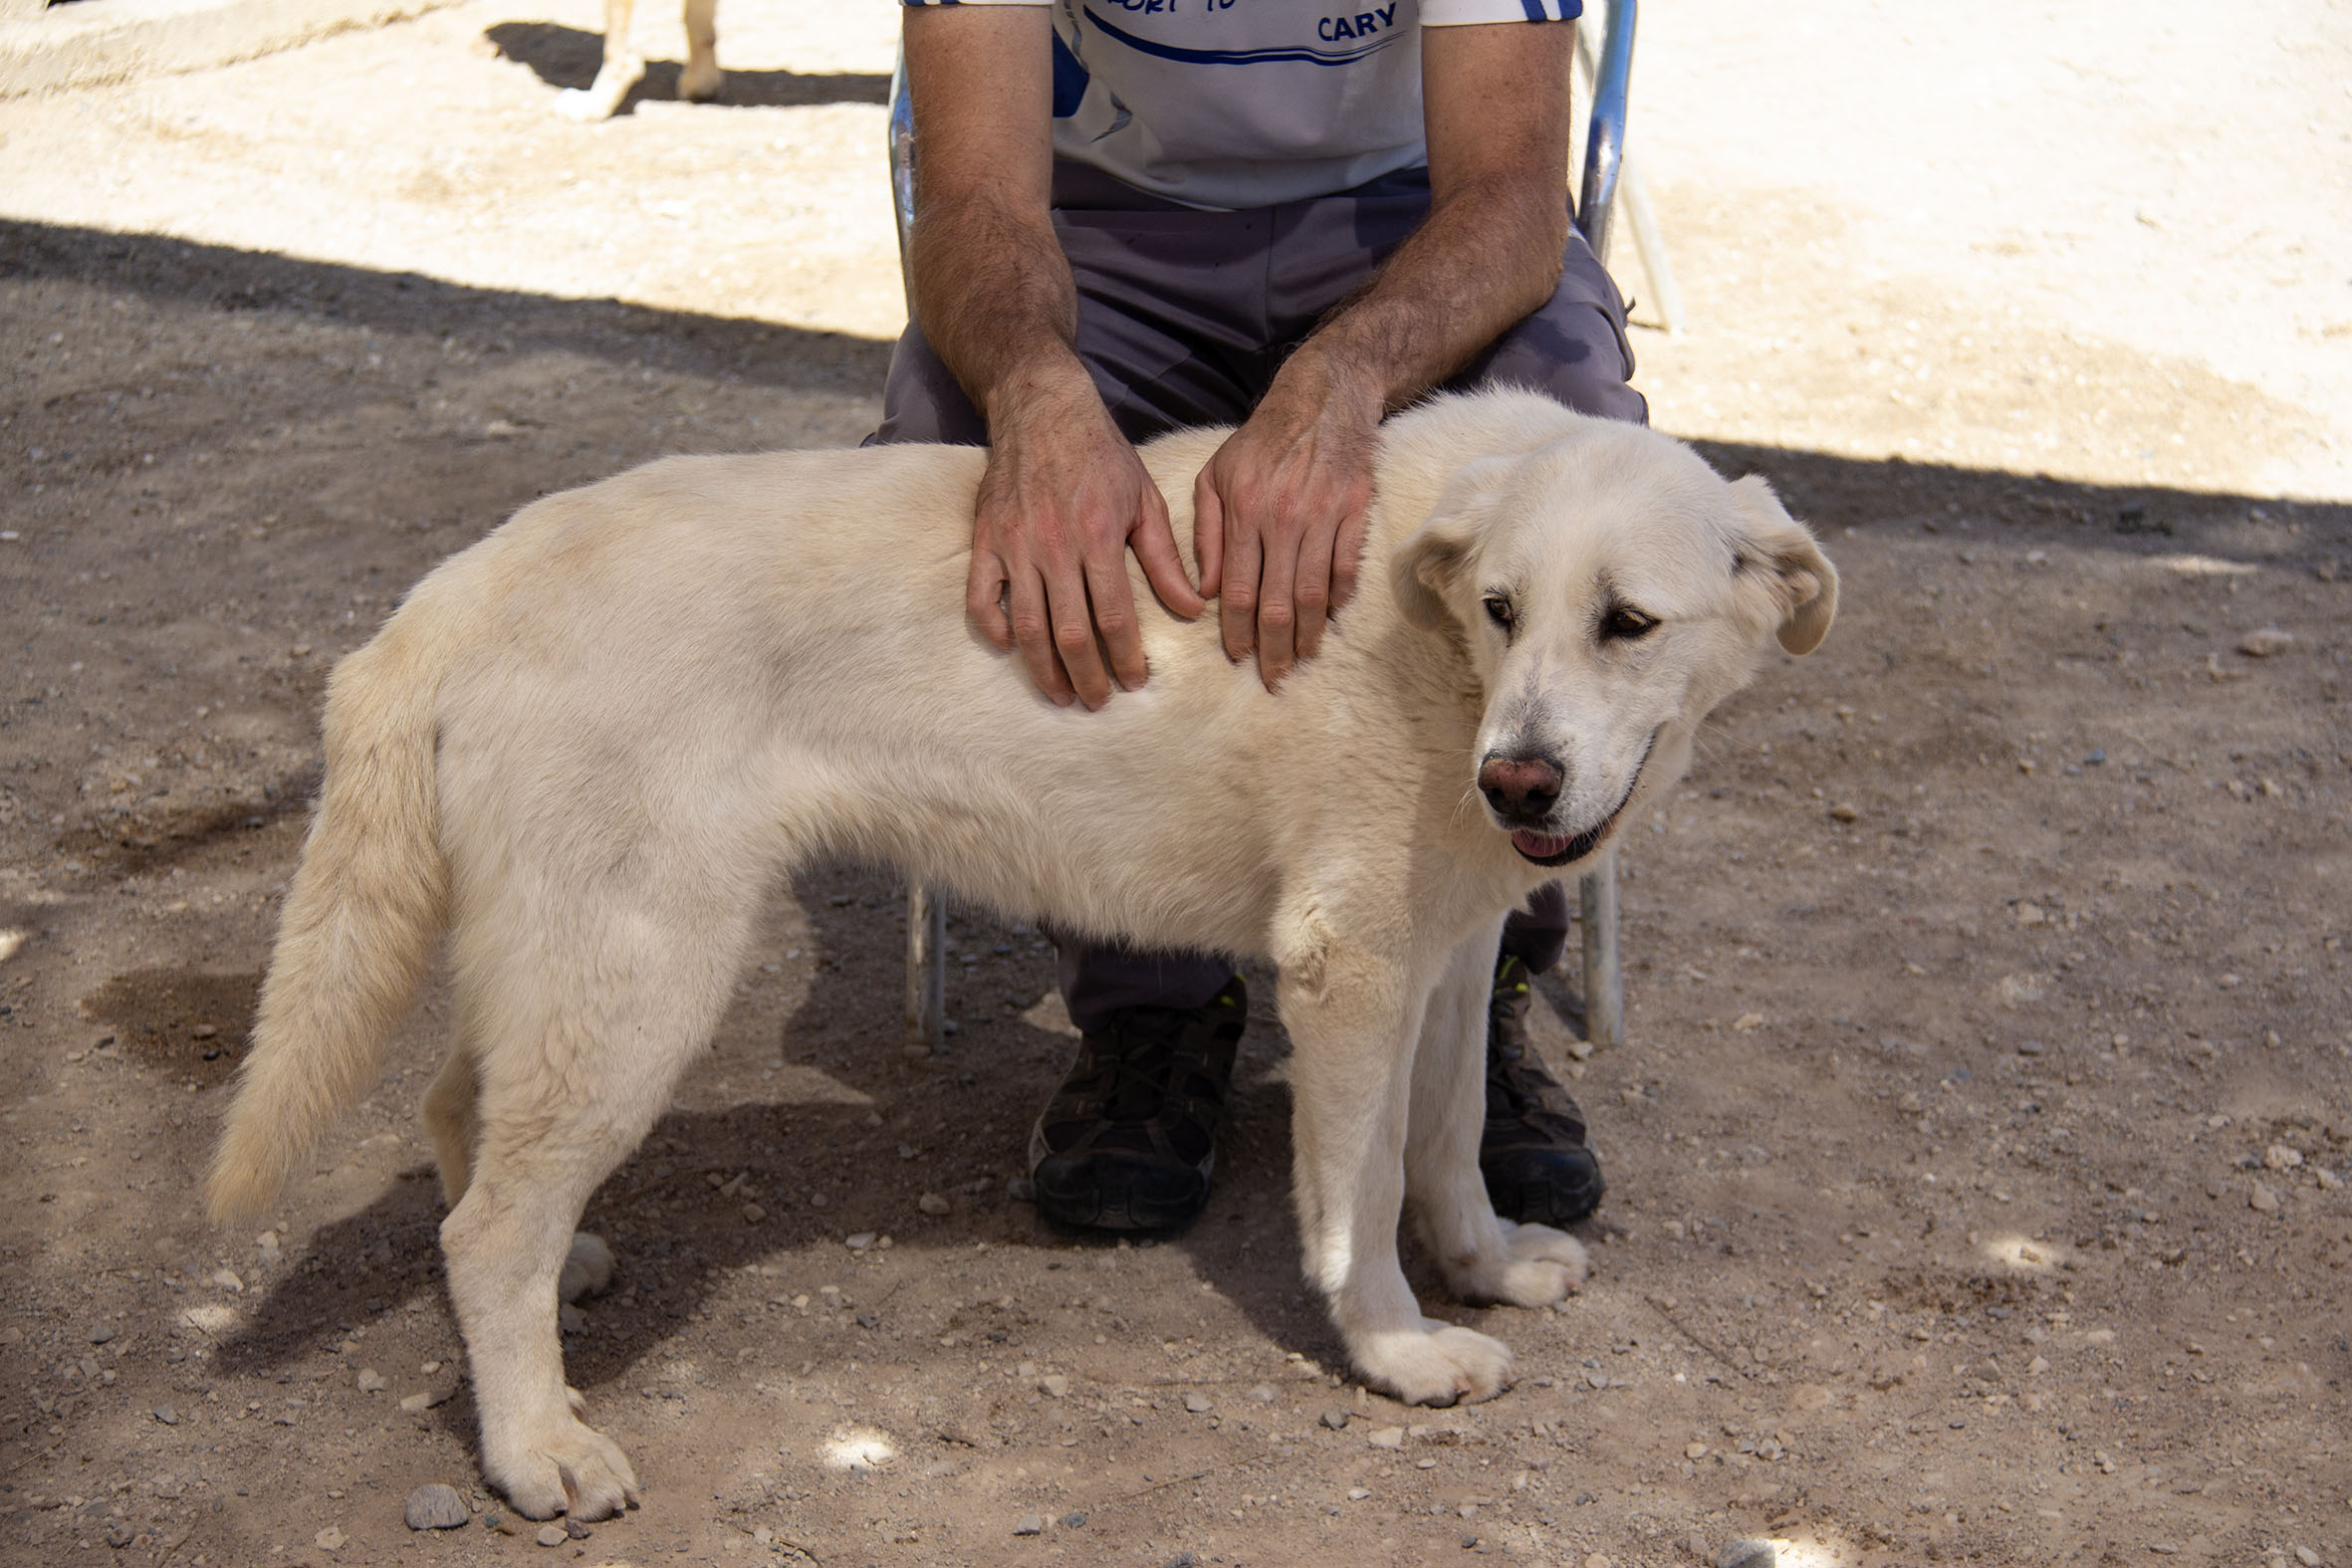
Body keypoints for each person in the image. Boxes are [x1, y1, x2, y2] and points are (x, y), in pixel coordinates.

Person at [878, 0, 1645, 1234]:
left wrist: (1342, 376)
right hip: (1099, 221)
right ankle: (1148, 995)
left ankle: (1463, 985)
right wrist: (1031, 390)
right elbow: (972, 193)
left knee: (1564, 447)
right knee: (962, 461)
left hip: (1414, 214)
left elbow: (1508, 193)